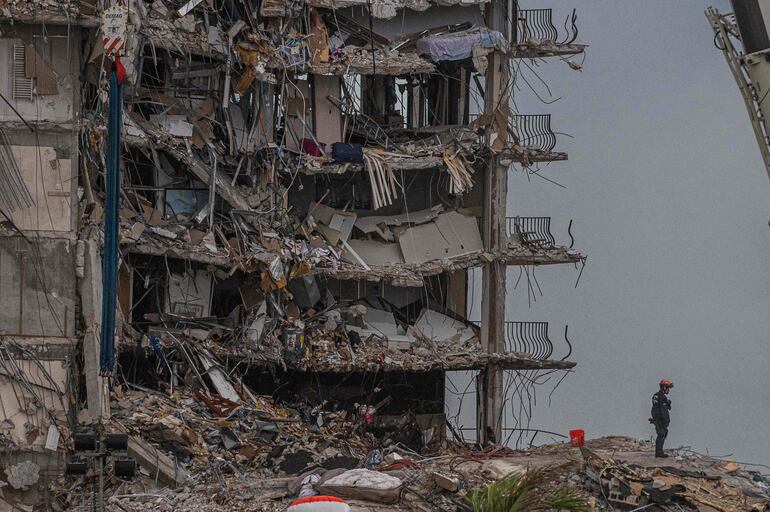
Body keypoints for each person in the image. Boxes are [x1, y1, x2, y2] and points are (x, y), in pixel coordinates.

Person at [649, 379, 674, 458]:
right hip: (660, 420)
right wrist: (660, 420)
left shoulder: (659, 396)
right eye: (667, 388)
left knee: (663, 433)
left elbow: (665, 408)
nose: (668, 390)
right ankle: (659, 453)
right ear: (664, 387)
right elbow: (659, 409)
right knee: (661, 434)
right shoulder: (660, 397)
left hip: (660, 420)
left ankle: (659, 451)